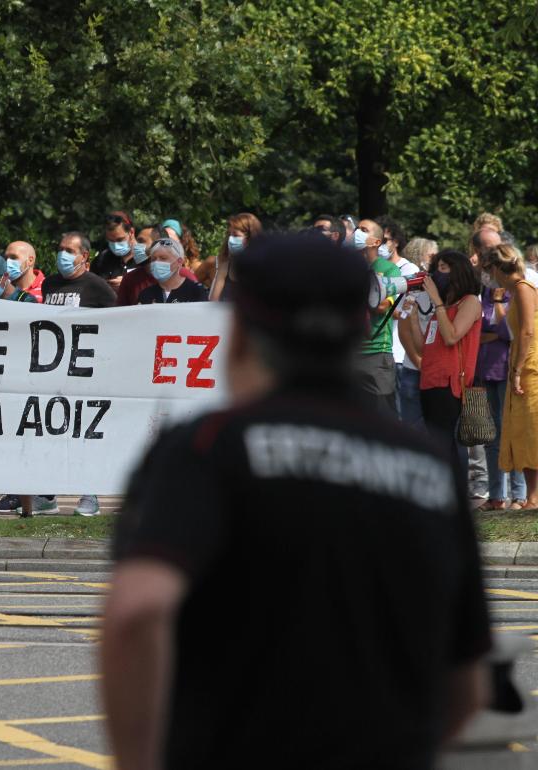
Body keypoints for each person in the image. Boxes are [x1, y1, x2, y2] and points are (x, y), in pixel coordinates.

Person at [102, 232, 490, 770]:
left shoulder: (205, 449)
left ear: (238, 335)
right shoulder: (430, 469)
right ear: (358, 331)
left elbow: (137, 611)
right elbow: (466, 683)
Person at [409, 249, 482, 464]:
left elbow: (452, 337)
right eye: (437, 268)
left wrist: (437, 302)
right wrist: (412, 317)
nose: (437, 274)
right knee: (435, 442)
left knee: (444, 443)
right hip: (429, 381)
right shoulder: (442, 308)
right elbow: (424, 349)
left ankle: (453, 490)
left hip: (449, 384)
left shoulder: (469, 302)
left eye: (443, 268)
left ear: (457, 272)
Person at [481, 244, 538, 509]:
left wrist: (516, 371)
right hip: (520, 362)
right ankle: (532, 497)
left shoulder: (524, 288)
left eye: (488, 270)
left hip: (530, 365)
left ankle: (534, 497)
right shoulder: (515, 291)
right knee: (521, 430)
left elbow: (526, 332)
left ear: (495, 268)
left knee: (532, 429)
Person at [354, 218, 402, 414]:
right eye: (357, 229)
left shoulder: (390, 269)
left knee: (382, 416)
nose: (357, 232)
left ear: (376, 242)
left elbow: (381, 306)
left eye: (363, 230)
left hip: (376, 354)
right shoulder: (348, 266)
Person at [395, 238, 440, 426]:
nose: (434, 260)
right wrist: (418, 361)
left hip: (439, 371)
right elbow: (404, 329)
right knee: (412, 426)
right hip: (413, 368)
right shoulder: (413, 289)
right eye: (431, 256)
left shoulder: (449, 290)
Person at [116, 225, 198, 307]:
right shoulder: (129, 279)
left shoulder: (184, 276)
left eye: (141, 241)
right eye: (137, 241)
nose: (136, 246)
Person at [43, 232, 116, 308]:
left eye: (69, 251)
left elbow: (115, 314)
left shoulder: (97, 285)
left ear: (84, 256)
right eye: (60, 249)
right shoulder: (48, 283)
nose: (62, 254)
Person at [208, 213, 262, 302]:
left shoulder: (262, 269)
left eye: (235, 235)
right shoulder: (225, 266)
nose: (230, 239)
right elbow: (214, 302)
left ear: (250, 237)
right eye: (230, 235)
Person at [137, 238, 208, 304]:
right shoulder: (145, 294)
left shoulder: (196, 291)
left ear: (179, 261)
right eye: (153, 259)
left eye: (163, 258)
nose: (157, 262)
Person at [91, 210, 136, 290]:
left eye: (120, 240)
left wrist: (128, 282)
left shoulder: (147, 258)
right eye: (111, 241)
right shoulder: (102, 260)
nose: (115, 245)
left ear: (131, 232)